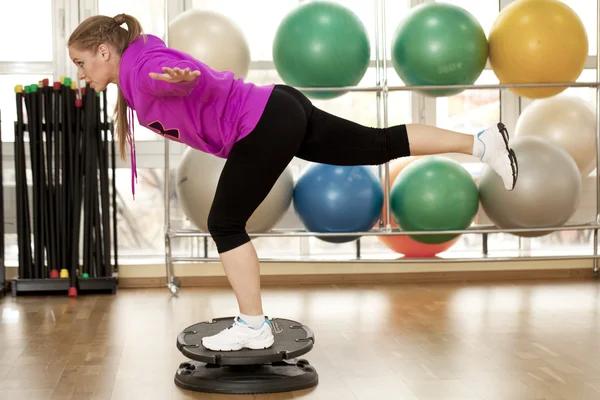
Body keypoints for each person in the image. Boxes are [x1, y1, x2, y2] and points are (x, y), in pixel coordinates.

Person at [68, 14, 518, 352]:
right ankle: (481, 143)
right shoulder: (137, 63)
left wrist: (186, 80)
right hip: (278, 106)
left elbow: (172, 76)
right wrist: (183, 80)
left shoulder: (142, 71)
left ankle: (252, 325)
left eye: (81, 62)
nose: (81, 74)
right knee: (377, 144)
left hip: (261, 123)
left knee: (224, 223)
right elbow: (165, 70)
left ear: (105, 52)